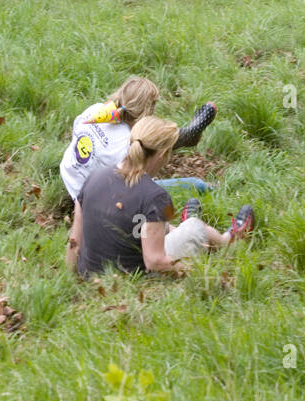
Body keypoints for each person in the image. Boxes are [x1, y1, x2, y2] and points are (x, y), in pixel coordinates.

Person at [65, 116, 255, 277]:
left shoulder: (95, 177)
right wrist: (201, 271)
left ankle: (183, 227)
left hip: (91, 276)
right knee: (194, 227)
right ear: (163, 154)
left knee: (151, 224)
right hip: (132, 280)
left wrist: (71, 275)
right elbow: (154, 262)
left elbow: (75, 238)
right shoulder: (154, 196)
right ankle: (227, 241)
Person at [59, 76, 218, 202]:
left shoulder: (95, 110)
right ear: (148, 110)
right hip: (95, 199)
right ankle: (183, 142)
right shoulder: (127, 144)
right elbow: (133, 186)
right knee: (193, 184)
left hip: (69, 174)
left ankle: (181, 136)